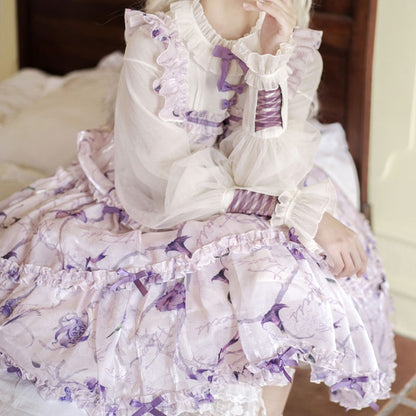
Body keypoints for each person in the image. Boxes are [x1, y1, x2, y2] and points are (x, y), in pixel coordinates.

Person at [0, 0, 395, 415]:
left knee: (286, 266)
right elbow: (163, 186)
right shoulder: (158, 41)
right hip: (153, 197)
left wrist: (269, 66)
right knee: (277, 258)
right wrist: (294, 211)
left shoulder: (287, 38)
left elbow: (265, 173)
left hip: (241, 193)